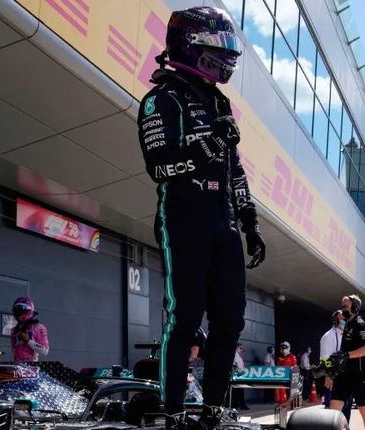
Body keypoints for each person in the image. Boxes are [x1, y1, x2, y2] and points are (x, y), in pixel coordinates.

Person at [136, 7, 266, 430]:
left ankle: (213, 409)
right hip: (183, 217)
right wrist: (210, 145)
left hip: (222, 221)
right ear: (191, 45)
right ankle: (173, 411)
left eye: (230, 49)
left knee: (230, 320)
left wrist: (250, 223)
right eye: (219, 47)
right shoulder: (161, 99)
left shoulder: (219, 103)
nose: (226, 57)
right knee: (186, 318)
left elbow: (235, 171)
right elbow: (160, 166)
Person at [327, 295, 365, 430]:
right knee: (334, 408)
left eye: (345, 307)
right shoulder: (348, 324)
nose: (342, 310)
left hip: (359, 374)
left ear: (355, 307)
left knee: (364, 408)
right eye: (342, 307)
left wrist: (347, 355)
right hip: (344, 373)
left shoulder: (360, 324)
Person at [319, 310, 351, 422]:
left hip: (346, 380)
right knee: (333, 418)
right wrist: (329, 376)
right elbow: (324, 359)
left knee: (346, 416)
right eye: (342, 318)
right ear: (335, 320)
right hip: (335, 380)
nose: (345, 320)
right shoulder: (329, 336)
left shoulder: (346, 335)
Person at [10, 297, 49, 362]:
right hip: (17, 366)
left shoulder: (38, 327)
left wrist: (28, 341)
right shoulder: (14, 330)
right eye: (16, 312)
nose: (19, 314)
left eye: (20, 311)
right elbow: (13, 351)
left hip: (32, 366)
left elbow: (45, 351)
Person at [231, 343, 249, 410]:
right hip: (237, 375)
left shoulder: (239, 356)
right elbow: (234, 365)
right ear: (237, 347)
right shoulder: (234, 355)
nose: (241, 350)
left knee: (240, 391)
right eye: (240, 348)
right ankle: (237, 405)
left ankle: (240, 404)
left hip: (240, 375)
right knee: (237, 391)